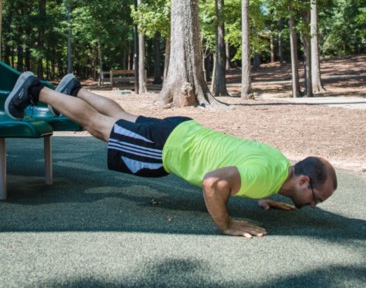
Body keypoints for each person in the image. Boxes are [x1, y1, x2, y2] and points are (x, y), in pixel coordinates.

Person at [5, 71, 337, 239]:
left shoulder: (277, 165)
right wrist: (227, 224)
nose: (313, 204)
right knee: (99, 126)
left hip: (182, 130)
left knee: (122, 118)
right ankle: (36, 89)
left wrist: (266, 197)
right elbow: (213, 183)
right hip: (169, 147)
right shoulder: (267, 174)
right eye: (316, 198)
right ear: (304, 180)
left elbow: (249, 167)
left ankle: (74, 89)